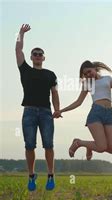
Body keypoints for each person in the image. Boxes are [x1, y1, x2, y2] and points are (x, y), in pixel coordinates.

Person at [16, 24, 60, 191]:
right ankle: (31, 176)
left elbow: (54, 93)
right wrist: (21, 33)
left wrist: (57, 109)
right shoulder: (25, 70)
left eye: (40, 54)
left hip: (46, 113)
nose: (37, 56)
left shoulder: (50, 74)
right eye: (35, 54)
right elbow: (18, 51)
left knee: (48, 144)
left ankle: (50, 176)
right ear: (31, 57)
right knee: (29, 145)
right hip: (29, 111)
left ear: (43, 58)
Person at [53, 61, 112, 162]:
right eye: (85, 74)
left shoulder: (108, 79)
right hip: (96, 114)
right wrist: (61, 111)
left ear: (94, 68)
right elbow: (78, 102)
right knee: (101, 147)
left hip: (109, 114)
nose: (88, 75)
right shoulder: (87, 84)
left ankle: (90, 146)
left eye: (89, 71)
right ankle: (79, 143)